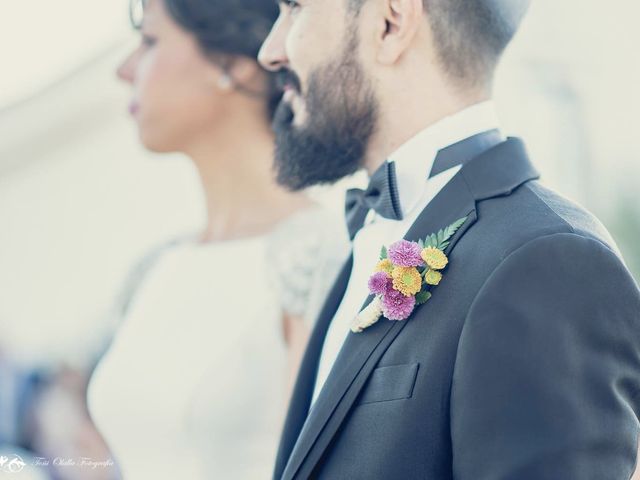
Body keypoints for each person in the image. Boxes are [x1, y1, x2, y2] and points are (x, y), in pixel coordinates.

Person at [257, 0, 640, 478]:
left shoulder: (551, 262)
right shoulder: (367, 236)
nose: (270, 51)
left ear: (390, 23)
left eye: (295, 8)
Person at [87, 0, 347, 478]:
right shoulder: (156, 269)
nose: (124, 70)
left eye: (149, 42)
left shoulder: (318, 255)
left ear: (232, 66)